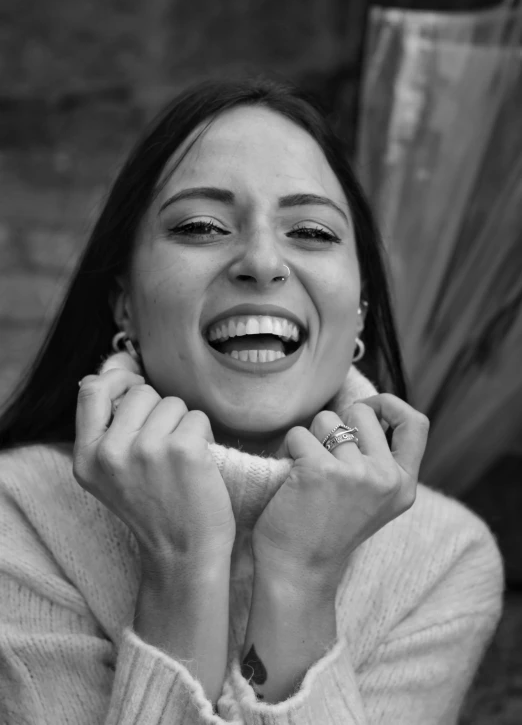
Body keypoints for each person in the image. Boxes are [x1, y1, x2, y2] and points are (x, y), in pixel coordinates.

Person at [0, 76, 504, 724]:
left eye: (314, 233)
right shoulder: (16, 520)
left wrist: (301, 576)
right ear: (124, 300)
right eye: (202, 225)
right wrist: (183, 562)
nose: (263, 261)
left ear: (358, 314)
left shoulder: (444, 557)